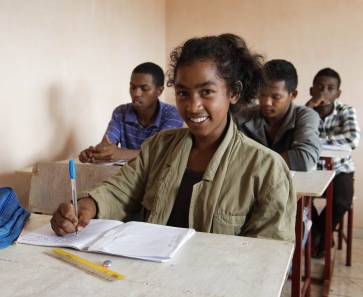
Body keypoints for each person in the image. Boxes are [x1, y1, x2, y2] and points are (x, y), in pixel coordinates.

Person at [52, 34, 296, 242]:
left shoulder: (267, 170)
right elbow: (121, 190)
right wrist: (85, 208)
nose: (193, 106)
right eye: (182, 93)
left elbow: (266, 256)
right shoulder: (158, 147)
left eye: (207, 92)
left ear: (234, 92)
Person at [78, 62, 183, 163]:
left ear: (159, 91)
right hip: (127, 178)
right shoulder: (120, 113)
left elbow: (162, 152)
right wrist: (94, 153)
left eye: (144, 89)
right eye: (132, 87)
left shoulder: (172, 114)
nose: (136, 93)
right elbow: (107, 144)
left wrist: (122, 153)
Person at [306, 68, 360, 257]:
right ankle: (314, 233)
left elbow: (352, 140)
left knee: (341, 200)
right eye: (319, 87)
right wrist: (310, 109)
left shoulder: (346, 111)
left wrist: (316, 142)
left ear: (338, 93)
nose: (324, 92)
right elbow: (295, 140)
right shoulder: (304, 111)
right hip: (310, 169)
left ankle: (319, 233)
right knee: (300, 200)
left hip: (340, 169)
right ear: (311, 90)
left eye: (330, 88)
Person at [233, 59, 321, 171]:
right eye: (262, 94)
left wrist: (253, 162)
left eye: (276, 97)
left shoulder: (306, 116)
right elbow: (230, 156)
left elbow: (305, 158)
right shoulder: (243, 117)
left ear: (293, 95)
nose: (266, 102)